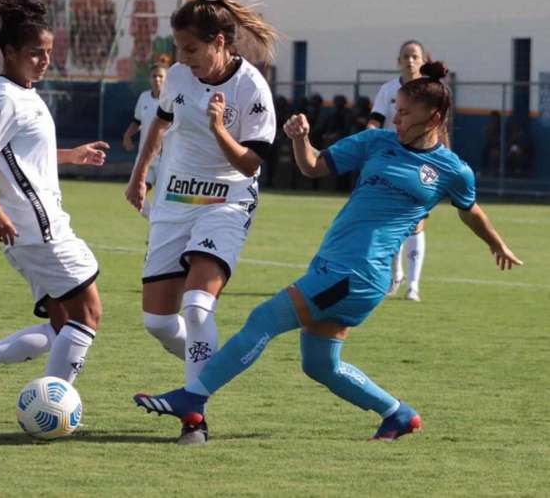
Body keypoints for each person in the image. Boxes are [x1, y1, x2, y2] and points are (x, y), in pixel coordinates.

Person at [134, 61, 522, 444]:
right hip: (335, 266)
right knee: (320, 365)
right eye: (395, 111)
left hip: (357, 274)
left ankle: (194, 397)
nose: (396, 119)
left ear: (433, 116)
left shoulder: (453, 170)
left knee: (264, 319)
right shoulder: (376, 142)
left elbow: (470, 211)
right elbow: (314, 166)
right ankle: (398, 413)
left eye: (404, 112)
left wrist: (496, 243)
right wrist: (301, 139)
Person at [0, 0, 109, 416]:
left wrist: (71, 156)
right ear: (9, 51)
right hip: (40, 229)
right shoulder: (4, 98)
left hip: (37, 227)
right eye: (36, 52)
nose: (45, 59)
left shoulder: (26, 93)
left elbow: (19, 155)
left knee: (63, 325)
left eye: (49, 52)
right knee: (88, 314)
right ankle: (49, 410)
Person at [125, 0, 278, 444]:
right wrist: (140, 175)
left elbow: (251, 163)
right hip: (174, 201)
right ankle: (209, 366)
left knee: (196, 306)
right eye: (178, 49)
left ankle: (195, 417)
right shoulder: (176, 78)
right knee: (156, 323)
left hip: (227, 200)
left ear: (220, 43)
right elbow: (161, 121)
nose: (183, 58)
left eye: (191, 49)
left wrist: (217, 128)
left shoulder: (252, 88)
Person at [368, 40, 430, 301]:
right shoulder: (389, 89)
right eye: (406, 56)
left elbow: (440, 128)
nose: (410, 60)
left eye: (415, 56)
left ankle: (413, 285)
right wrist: (370, 134)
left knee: (416, 221)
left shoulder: (431, 90)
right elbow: (376, 119)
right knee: (389, 220)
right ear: (399, 61)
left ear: (423, 60)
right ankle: (396, 274)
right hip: (392, 160)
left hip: (421, 160)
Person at [121, 63, 168, 218]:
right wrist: (128, 135)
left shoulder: (171, 100)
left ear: (166, 79)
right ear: (149, 78)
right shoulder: (144, 97)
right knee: (135, 195)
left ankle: (158, 231)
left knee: (164, 200)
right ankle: (155, 223)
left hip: (166, 159)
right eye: (154, 76)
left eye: (161, 76)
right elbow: (137, 121)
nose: (157, 79)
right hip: (145, 158)